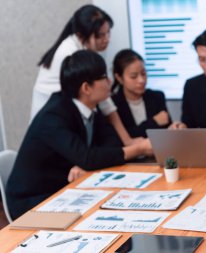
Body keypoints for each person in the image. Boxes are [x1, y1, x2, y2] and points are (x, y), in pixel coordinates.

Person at [6, 50, 152, 219]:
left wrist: (85, 163)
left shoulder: (90, 107)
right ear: (86, 88)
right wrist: (139, 149)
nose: (109, 82)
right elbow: (88, 157)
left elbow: (110, 141)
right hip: (33, 202)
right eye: (104, 77)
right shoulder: (54, 115)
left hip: (66, 190)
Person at [30, 4, 134, 145]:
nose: (106, 39)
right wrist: (128, 141)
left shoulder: (82, 48)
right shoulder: (71, 54)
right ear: (81, 35)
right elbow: (103, 100)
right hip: (52, 125)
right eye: (100, 35)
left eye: (108, 33)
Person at [111, 49, 171, 137]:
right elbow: (121, 137)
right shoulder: (113, 104)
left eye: (143, 74)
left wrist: (175, 127)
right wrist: (153, 122)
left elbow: (166, 129)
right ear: (119, 78)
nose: (141, 80)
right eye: (133, 76)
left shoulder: (157, 97)